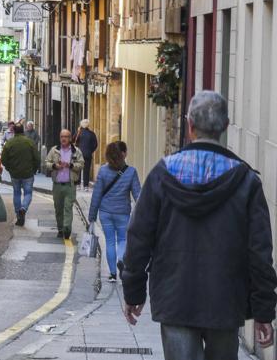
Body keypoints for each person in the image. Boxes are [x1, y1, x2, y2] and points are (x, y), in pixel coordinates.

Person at [122, 91, 277, 359]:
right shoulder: (246, 181)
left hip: (174, 298)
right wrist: (264, 311)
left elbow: (139, 238)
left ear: (190, 125)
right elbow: (260, 253)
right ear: (226, 126)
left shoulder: (161, 175)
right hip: (225, 300)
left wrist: (133, 290)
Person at [88, 141, 140, 282]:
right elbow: (138, 196)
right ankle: (121, 259)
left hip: (105, 212)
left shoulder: (103, 171)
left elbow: (97, 194)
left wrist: (92, 216)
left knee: (110, 241)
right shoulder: (131, 172)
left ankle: (112, 274)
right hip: (122, 212)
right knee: (123, 240)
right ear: (123, 154)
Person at [44, 129, 85, 239]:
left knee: (68, 207)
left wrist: (70, 165)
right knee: (58, 208)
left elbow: (81, 164)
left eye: (66, 136)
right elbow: (46, 162)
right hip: (57, 185)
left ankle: (67, 229)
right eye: (62, 136)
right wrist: (54, 166)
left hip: (70, 185)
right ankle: (60, 229)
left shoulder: (76, 151)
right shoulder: (54, 150)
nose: (63, 138)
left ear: (70, 138)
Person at [1, 123, 40, 227]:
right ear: (23, 130)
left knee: (17, 193)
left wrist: (10, 169)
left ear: (14, 131)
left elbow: (4, 160)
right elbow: (37, 158)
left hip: (15, 174)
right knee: (28, 193)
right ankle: (23, 208)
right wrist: (34, 169)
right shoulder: (30, 142)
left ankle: (19, 214)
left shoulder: (9, 143)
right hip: (28, 173)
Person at [74, 119, 98, 191]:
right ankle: (86, 186)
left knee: (78, 169)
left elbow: (72, 140)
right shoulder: (92, 134)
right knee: (86, 170)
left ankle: (78, 185)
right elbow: (95, 144)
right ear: (88, 125)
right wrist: (90, 151)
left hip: (78, 154)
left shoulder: (78, 133)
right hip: (88, 154)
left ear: (81, 125)